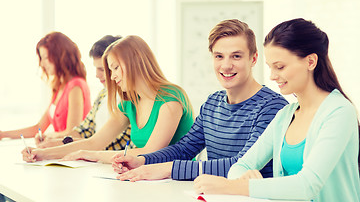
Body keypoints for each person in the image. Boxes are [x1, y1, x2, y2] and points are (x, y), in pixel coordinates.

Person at [194, 18, 360, 202]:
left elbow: (308, 185)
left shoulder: (339, 112)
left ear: (311, 61)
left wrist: (234, 186)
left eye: (280, 67)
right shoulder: (286, 115)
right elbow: (240, 166)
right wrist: (244, 177)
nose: (272, 76)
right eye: (270, 67)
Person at [111, 19, 288, 182]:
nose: (226, 65)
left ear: (254, 58)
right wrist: (141, 160)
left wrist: (169, 169)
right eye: (219, 56)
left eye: (236, 56)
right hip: (214, 194)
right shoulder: (212, 103)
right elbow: (184, 149)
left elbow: (241, 164)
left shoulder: (273, 108)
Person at [22, 35, 194, 162]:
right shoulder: (129, 103)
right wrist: (41, 154)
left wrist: (90, 155)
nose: (112, 78)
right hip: (147, 179)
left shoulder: (171, 98)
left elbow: (151, 152)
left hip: (177, 183)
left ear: (135, 62)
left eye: (115, 68)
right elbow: (94, 142)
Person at [37, 35, 134, 151]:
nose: (97, 75)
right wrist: (55, 143)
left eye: (102, 69)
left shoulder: (130, 98)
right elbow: (84, 131)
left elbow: (114, 144)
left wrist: (61, 148)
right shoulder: (102, 94)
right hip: (97, 160)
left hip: (108, 162)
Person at [0, 32, 91, 140]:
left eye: (46, 58)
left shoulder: (76, 86)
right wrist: (4, 134)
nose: (42, 64)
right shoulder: (60, 87)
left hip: (69, 153)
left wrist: (47, 136)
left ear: (60, 56)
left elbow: (72, 134)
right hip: (59, 151)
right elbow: (38, 128)